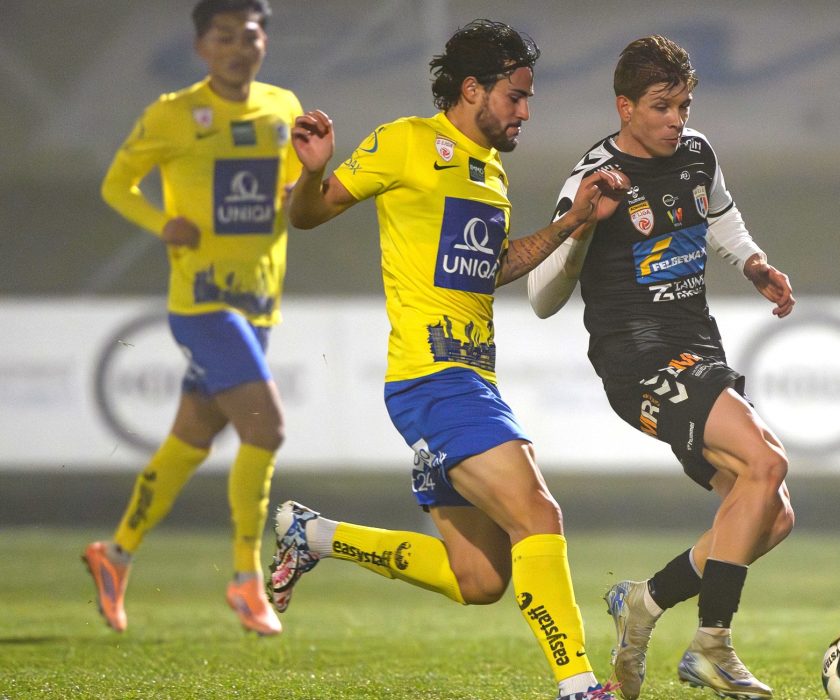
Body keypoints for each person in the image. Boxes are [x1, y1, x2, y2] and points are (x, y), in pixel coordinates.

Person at [269, 20, 627, 700]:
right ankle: (579, 686)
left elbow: (488, 268)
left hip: (463, 380)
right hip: (435, 380)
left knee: (482, 580)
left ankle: (313, 535)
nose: (525, 110)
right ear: (473, 89)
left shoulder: (490, 171)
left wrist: (572, 222)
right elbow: (308, 215)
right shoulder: (405, 143)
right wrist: (310, 174)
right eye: (516, 96)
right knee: (539, 515)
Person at [527, 36, 796, 700]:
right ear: (625, 106)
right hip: (637, 359)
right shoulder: (594, 178)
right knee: (767, 465)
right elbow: (539, 297)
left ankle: (644, 603)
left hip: (697, 346)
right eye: (662, 106)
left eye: (684, 104)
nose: (677, 119)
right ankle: (712, 646)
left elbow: (721, 218)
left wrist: (755, 264)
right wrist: (584, 226)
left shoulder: (696, 153)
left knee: (772, 512)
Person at [84, 0, 300, 637]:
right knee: (266, 429)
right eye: (224, 37)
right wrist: (163, 224)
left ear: (264, 41)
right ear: (202, 47)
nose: (239, 47)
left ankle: (115, 553)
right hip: (201, 303)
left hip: (260, 303)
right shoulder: (172, 114)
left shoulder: (283, 108)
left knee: (190, 443)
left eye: (250, 35)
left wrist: (308, 181)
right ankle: (244, 576)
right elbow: (116, 185)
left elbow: (291, 195)